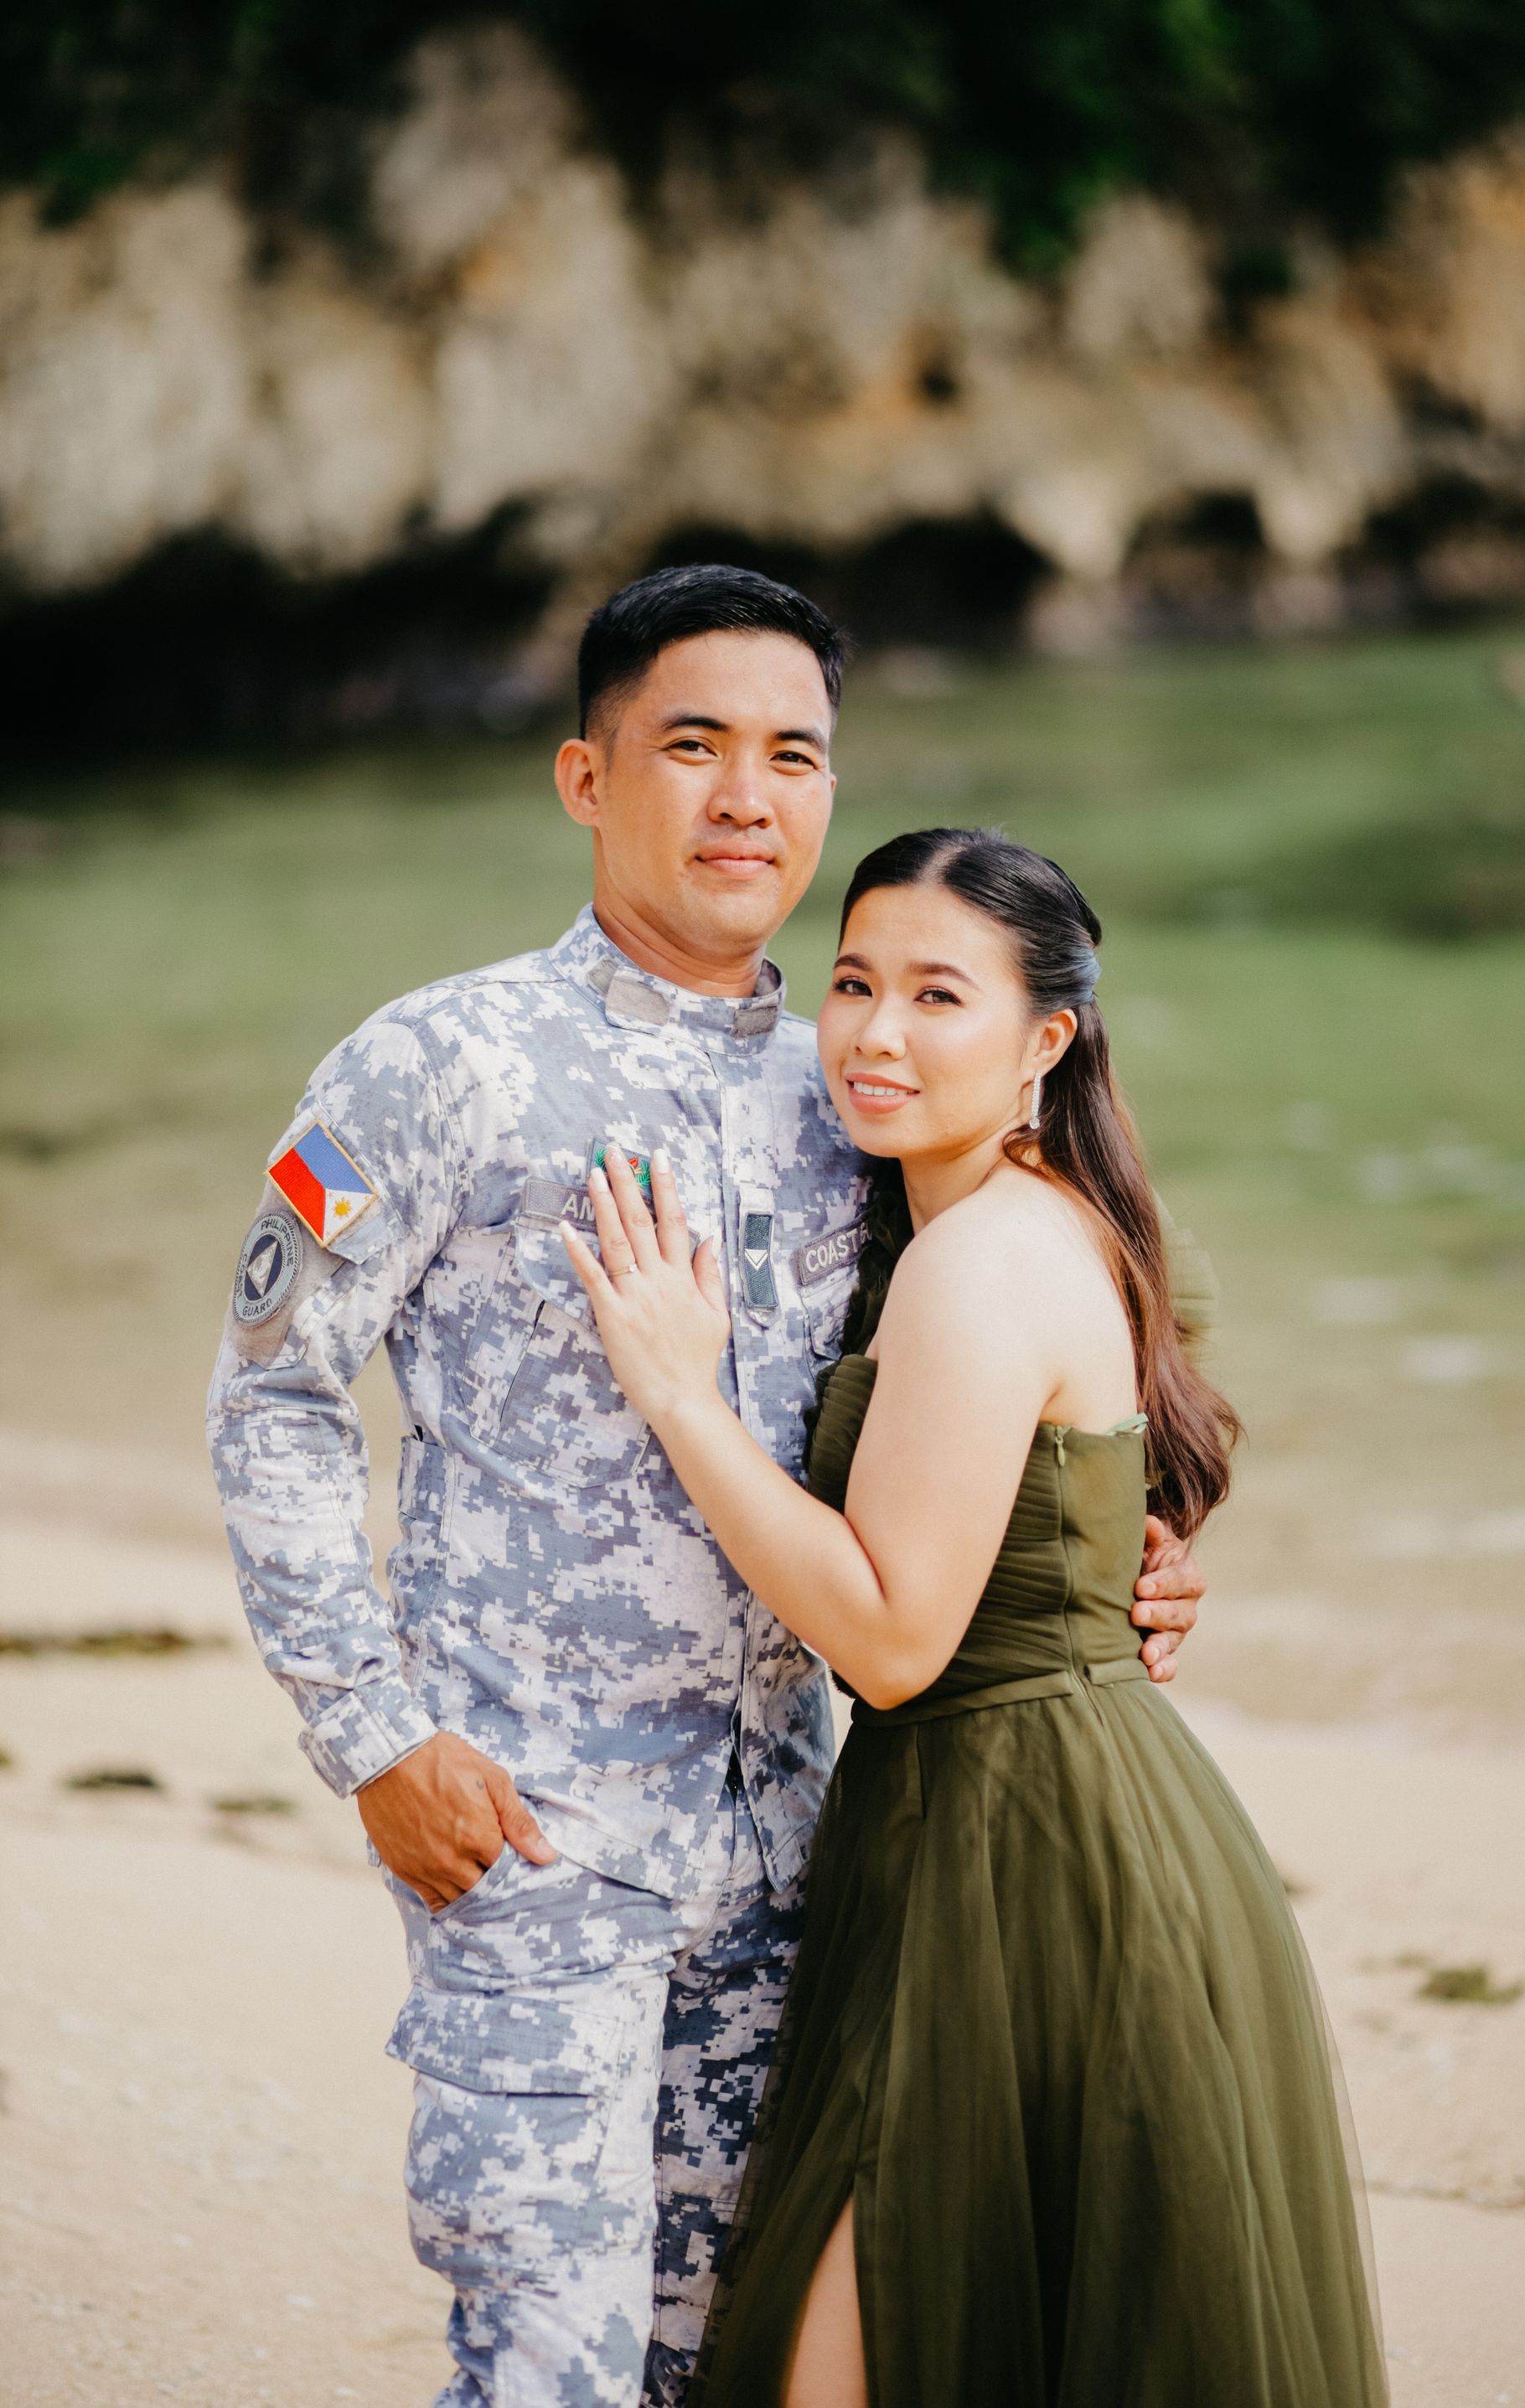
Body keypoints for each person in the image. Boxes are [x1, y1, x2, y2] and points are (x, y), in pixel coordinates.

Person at [205, 566, 1207, 2408]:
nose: (750, 796)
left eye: (793, 754)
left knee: (719, 2366)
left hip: (801, 1856)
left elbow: (981, 1377)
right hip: (536, 1839)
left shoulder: (858, 1088)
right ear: (586, 779)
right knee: (553, 2371)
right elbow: (271, 1395)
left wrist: (1099, 1560)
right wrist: (372, 1734)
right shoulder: (436, 1064)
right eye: (695, 745)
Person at [561, 828, 1388, 2408]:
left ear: (1045, 1038)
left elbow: (890, 1643)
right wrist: (1119, 1558)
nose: (876, 1034)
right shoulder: (1046, 1218)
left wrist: (678, 1393)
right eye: (853, 981)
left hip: (1023, 1854)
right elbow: (1110, 1442)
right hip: (1039, 1816)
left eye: (940, 995)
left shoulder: (981, 1259)